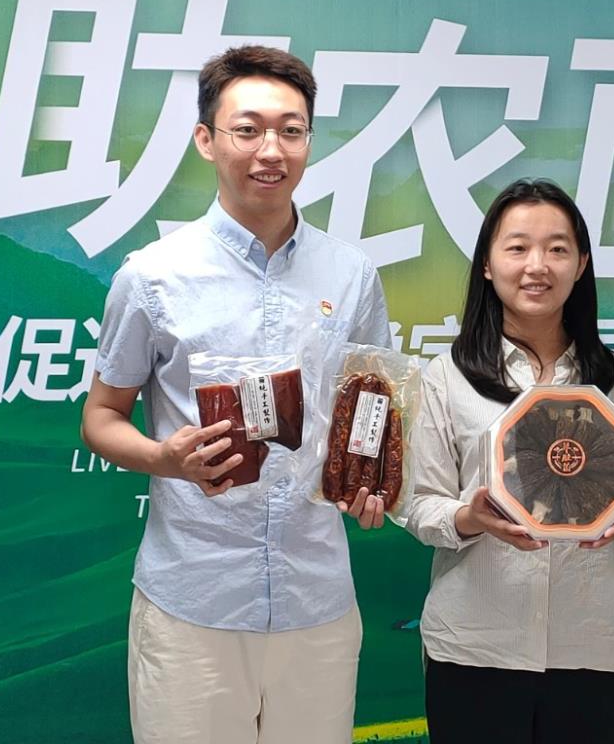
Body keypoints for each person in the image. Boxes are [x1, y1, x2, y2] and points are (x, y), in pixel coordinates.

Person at [81, 45, 391, 744]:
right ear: (206, 139)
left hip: (317, 601)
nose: (270, 150)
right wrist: (166, 459)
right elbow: (100, 417)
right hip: (193, 600)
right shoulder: (153, 276)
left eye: (291, 130)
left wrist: (369, 480)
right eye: (247, 130)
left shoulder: (351, 275)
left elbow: (369, 411)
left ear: (309, 140)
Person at [403, 178, 614, 743]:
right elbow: (420, 505)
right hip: (475, 645)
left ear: (581, 263)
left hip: (591, 645)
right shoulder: (446, 378)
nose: (537, 266)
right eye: (517, 247)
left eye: (557, 248)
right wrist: (469, 517)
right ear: (488, 264)